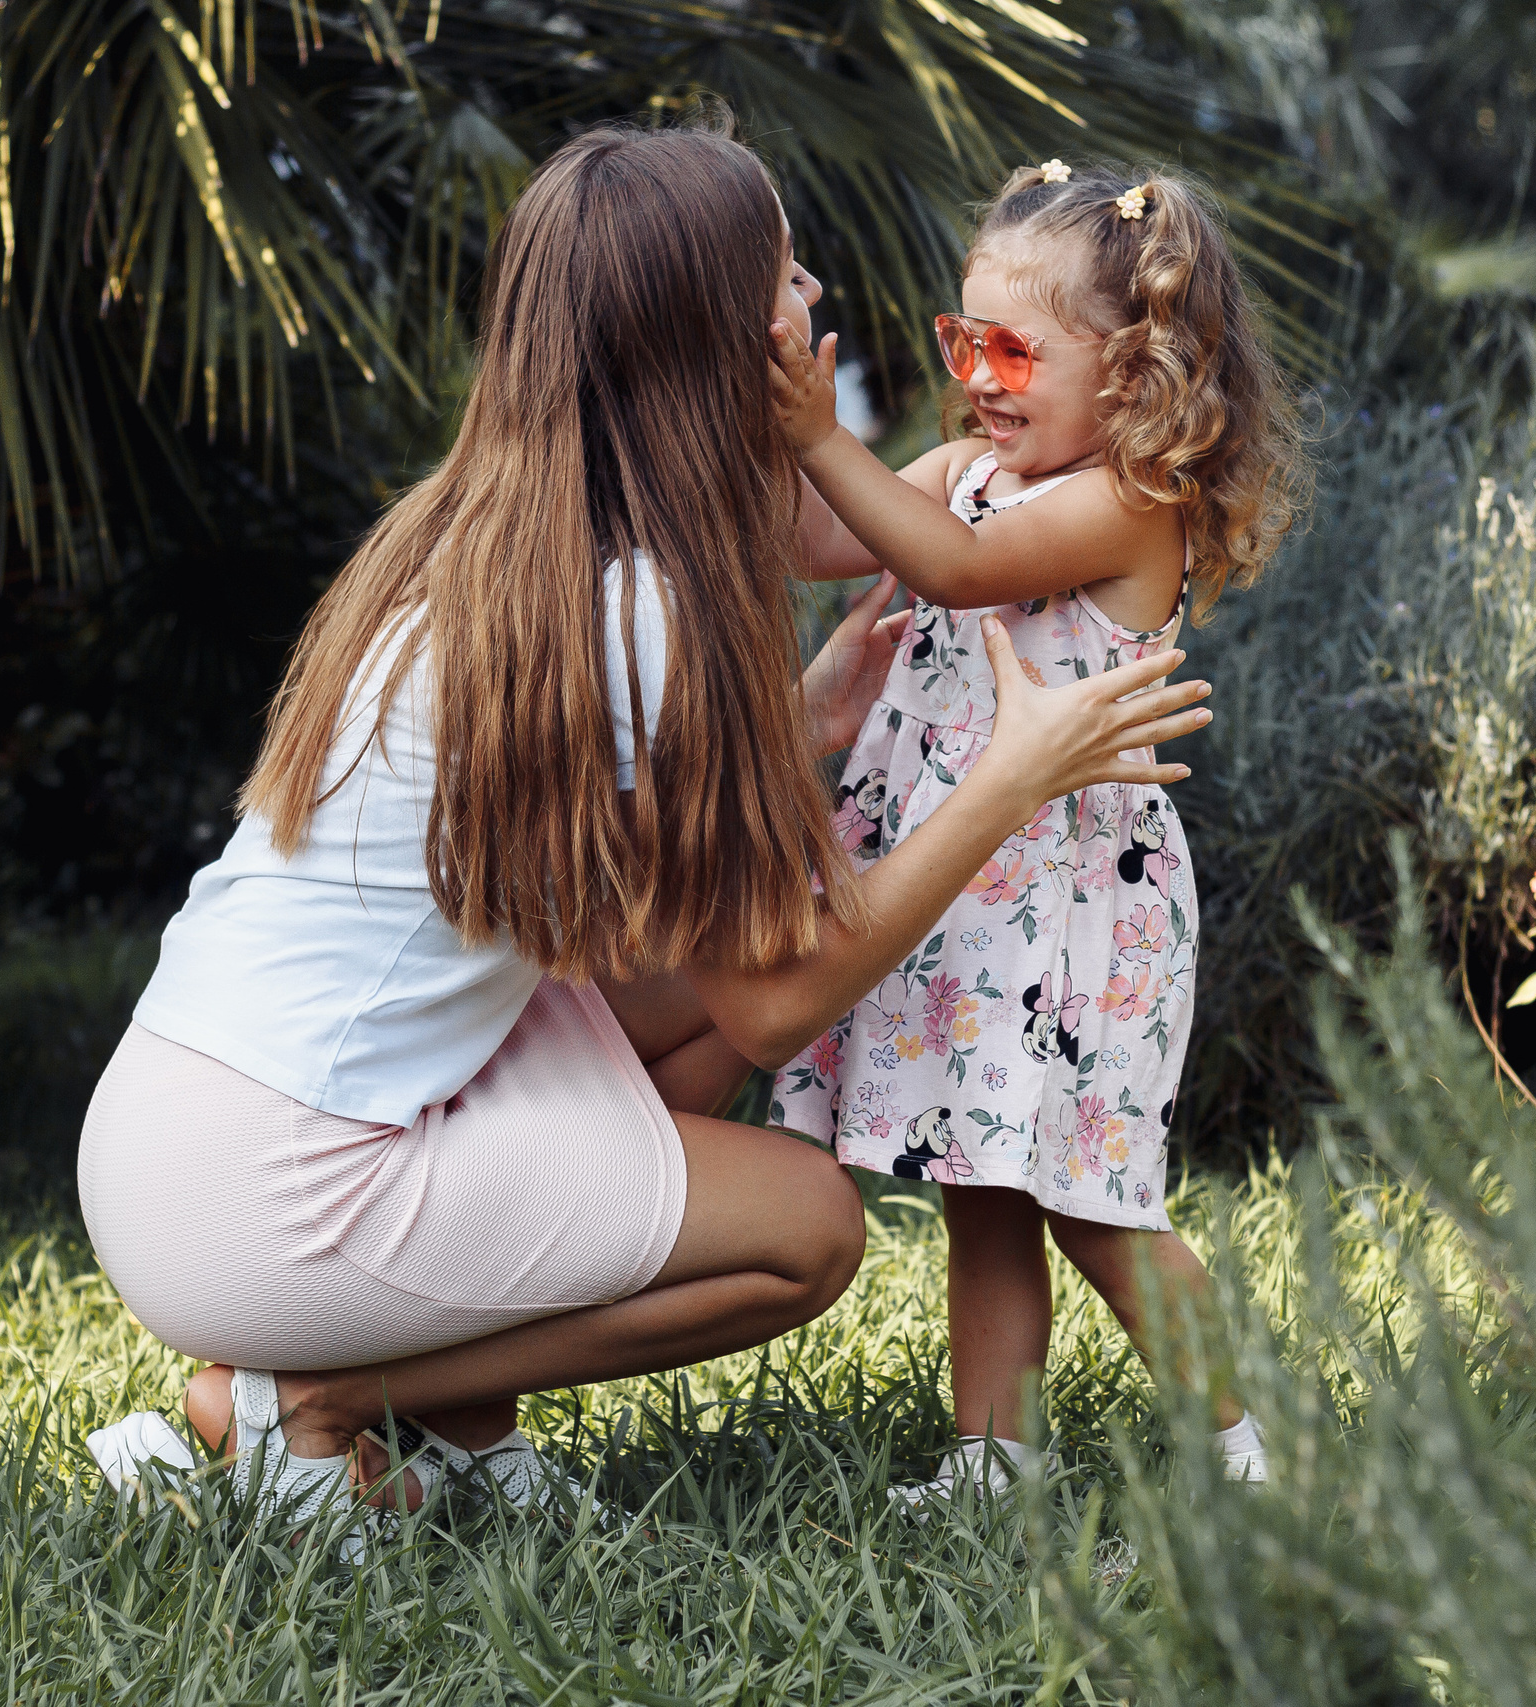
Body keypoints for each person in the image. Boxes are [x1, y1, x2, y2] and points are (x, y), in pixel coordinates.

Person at [75, 123, 1216, 1536]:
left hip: (176, 1131)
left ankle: (450, 1431)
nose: (814, 303)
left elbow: (649, 903)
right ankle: (311, 1402)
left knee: (684, 1018)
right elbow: (782, 996)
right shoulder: (645, 612)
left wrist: (803, 721)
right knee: (805, 1230)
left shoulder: (487, 530)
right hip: (275, 1195)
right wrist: (1011, 779)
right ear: (718, 333)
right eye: (786, 278)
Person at [764, 159, 1307, 1501]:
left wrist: (821, 433)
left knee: (1092, 1201)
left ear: (1135, 371)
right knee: (983, 1182)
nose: (981, 380)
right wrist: (746, 412)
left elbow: (950, 568)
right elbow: (813, 540)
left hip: (1071, 905)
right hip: (969, 889)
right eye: (966, 344)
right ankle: (993, 1459)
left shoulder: (1130, 502)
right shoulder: (968, 469)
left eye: (1015, 352)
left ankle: (1253, 1457)